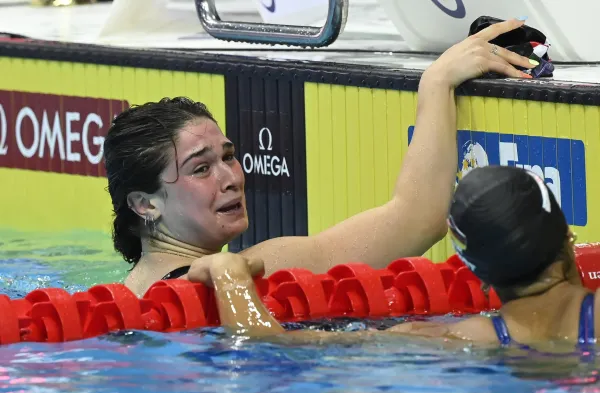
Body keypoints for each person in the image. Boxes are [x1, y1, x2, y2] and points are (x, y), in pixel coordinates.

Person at [103, 18, 535, 297]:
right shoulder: (256, 271)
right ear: (145, 204)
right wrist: (437, 82)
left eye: (228, 157)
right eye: (201, 168)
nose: (231, 177)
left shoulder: (129, 293)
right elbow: (418, 219)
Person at [192, 165, 600, 347]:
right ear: (568, 237)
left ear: (477, 274)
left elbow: (265, 345)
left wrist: (230, 276)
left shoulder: (460, 339)